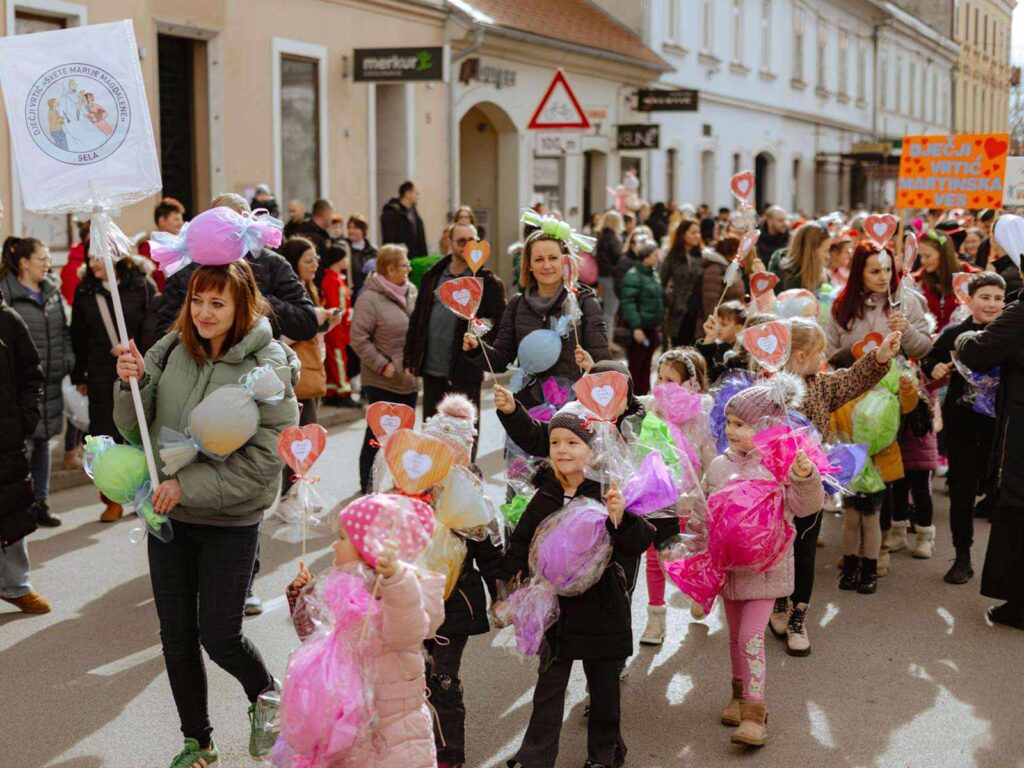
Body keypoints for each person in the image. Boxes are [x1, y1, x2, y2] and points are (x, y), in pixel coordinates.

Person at [114, 259, 300, 764]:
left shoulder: (270, 366)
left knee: (220, 636)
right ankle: (198, 742)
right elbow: (136, 429)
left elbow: (266, 460)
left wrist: (184, 486)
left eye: (217, 302)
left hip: (230, 523)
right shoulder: (170, 348)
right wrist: (130, 383)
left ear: (243, 306)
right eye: (197, 299)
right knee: (175, 637)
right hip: (168, 520)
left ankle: (267, 692)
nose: (203, 312)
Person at [498, 404, 655, 768]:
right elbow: (522, 543)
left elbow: (638, 542)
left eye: (573, 442)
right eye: (555, 442)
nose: (563, 449)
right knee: (548, 687)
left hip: (601, 606)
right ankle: (535, 756)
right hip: (556, 611)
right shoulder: (546, 494)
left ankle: (604, 753)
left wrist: (621, 518)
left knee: (603, 689)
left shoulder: (607, 491)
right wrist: (507, 587)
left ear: (592, 450)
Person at [683, 377, 823, 747]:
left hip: (767, 570)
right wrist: (696, 557)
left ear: (765, 428)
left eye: (741, 424)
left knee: (750, 637)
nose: (732, 430)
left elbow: (805, 508)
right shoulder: (717, 466)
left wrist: (805, 477)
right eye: (729, 422)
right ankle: (738, 695)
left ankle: (755, 714)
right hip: (729, 571)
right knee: (733, 638)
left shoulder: (782, 464)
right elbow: (703, 513)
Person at [286, 495, 444, 767]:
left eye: (343, 538)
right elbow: (324, 648)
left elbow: (408, 629)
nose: (334, 545)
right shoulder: (346, 589)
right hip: (350, 737)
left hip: (393, 743)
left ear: (369, 548)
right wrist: (303, 596)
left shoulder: (399, 600)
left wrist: (397, 580)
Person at [774, 318, 900, 654]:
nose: (824, 359)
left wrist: (880, 357)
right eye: (819, 353)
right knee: (776, 548)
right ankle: (778, 602)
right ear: (800, 355)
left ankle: (799, 615)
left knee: (804, 547)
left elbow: (851, 380)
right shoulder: (767, 387)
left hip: (809, 482)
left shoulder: (821, 385)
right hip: (771, 485)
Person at [922, 272, 1005, 585]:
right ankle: (962, 557)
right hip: (963, 426)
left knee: (1002, 495)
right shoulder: (957, 332)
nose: (992, 304)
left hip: (1001, 428)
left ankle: (1006, 567)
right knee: (962, 492)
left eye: (998, 297)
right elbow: (929, 360)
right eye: (985, 297)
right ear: (970, 300)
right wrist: (936, 367)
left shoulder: (1007, 331)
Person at [466, 230, 608, 410]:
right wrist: (477, 349)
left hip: (573, 411)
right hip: (528, 411)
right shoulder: (517, 304)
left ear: (565, 262)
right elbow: (502, 360)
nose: (546, 265)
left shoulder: (583, 302)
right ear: (529, 265)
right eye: (539, 259)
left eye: (553, 258)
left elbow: (602, 363)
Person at [156, 194, 318, 342]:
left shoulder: (272, 264)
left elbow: (307, 323)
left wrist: (258, 300)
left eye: (234, 226)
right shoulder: (187, 267)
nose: (227, 234)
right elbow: (165, 329)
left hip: (255, 366)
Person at [71, 249, 158, 522]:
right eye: (91, 258)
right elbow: (78, 335)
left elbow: (152, 327)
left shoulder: (142, 285)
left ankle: (144, 493)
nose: (94, 264)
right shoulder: (85, 291)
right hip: (100, 374)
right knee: (103, 436)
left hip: (137, 371)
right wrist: (80, 376)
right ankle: (110, 499)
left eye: (100, 257)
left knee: (140, 434)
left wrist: (143, 361)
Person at [955, 283, 1024, 630]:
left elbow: (978, 351)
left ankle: (1019, 602)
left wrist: (964, 338)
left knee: (1017, 505)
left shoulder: (1020, 313)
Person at [403, 222, 505, 445]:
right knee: (432, 433)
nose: (467, 246)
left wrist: (480, 341)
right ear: (449, 244)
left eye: (472, 241)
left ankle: (463, 479)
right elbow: (418, 318)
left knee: (464, 436)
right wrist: (410, 356)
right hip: (432, 369)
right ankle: (434, 479)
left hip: (465, 370)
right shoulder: (433, 276)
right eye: (461, 241)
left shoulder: (488, 283)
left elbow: (500, 324)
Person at [639, 347, 714, 645]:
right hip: (657, 501)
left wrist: (713, 493)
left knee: (692, 554)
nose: (663, 386)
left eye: (672, 380)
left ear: (691, 384)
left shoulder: (702, 412)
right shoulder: (650, 408)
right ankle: (655, 618)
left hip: (690, 502)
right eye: (660, 377)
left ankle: (701, 591)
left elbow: (710, 455)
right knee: (655, 559)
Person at [830, 349, 920, 593]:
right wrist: (838, 440)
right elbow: (833, 424)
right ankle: (850, 566)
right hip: (851, 466)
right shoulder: (844, 397)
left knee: (871, 520)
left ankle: (870, 568)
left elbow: (908, 406)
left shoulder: (886, 398)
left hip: (879, 468)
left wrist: (907, 387)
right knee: (850, 520)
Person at [0, 237, 72, 528]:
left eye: (48, 258)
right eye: (41, 258)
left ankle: (41, 502)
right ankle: (22, 505)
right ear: (24, 262)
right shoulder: (8, 294)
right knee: (23, 448)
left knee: (42, 444)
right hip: (17, 389)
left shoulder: (52, 292)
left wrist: (66, 361)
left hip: (47, 383)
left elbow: (64, 332)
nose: (47, 264)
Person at [351, 245, 419, 492]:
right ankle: (368, 486)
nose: (409, 268)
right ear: (389, 269)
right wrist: (382, 365)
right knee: (377, 435)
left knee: (404, 436)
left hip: (408, 378)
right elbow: (358, 338)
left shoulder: (411, 291)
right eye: (404, 264)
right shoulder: (370, 298)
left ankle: (400, 484)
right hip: (381, 379)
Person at [0, 286, 48, 615]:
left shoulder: (8, 320)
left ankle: (16, 585)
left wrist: (25, 418)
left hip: (5, 433)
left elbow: (32, 373)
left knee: (12, 505)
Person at [279, 239, 342, 488]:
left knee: (308, 436)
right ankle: (291, 493)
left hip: (314, 368)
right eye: (308, 260)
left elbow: (312, 332)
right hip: (296, 374)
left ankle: (298, 491)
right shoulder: (286, 294)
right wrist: (313, 323)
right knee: (298, 437)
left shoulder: (310, 288)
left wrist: (325, 324)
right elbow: (279, 336)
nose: (315, 264)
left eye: (316, 258)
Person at [826, 242, 933, 360]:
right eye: (875, 272)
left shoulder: (906, 301)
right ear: (859, 274)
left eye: (888, 269)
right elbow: (829, 353)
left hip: (896, 377)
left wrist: (906, 330)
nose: (883, 277)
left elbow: (924, 349)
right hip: (852, 377)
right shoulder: (842, 305)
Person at [619, 241, 663, 395]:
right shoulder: (633, 276)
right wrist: (636, 327)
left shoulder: (653, 274)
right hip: (639, 328)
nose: (658, 258)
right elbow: (629, 303)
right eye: (655, 255)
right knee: (636, 365)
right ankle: (632, 396)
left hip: (651, 327)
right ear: (646, 257)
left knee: (646, 365)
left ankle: (644, 395)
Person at [320, 245, 358, 408]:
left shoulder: (336, 278)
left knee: (335, 359)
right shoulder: (331, 280)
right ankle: (343, 392)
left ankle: (331, 391)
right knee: (338, 360)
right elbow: (335, 307)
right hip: (337, 329)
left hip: (341, 327)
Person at [915, 229, 977, 330]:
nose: (923, 261)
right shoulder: (917, 280)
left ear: (943, 254)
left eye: (927, 256)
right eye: (921, 256)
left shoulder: (971, 276)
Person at [661, 219, 706, 346]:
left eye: (698, 233)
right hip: (678, 310)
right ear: (683, 234)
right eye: (693, 233)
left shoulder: (702, 256)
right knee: (678, 346)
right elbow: (661, 281)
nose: (697, 236)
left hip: (697, 310)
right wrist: (670, 300)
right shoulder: (673, 256)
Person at [698, 235, 747, 332]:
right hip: (719, 326)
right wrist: (716, 326)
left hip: (728, 324)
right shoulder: (714, 270)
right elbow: (710, 302)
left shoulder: (730, 268)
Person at [137, 197, 186, 292]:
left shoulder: (182, 245)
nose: (181, 223)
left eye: (181, 219)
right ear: (162, 221)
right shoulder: (147, 247)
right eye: (176, 219)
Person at [767, 221, 831, 294]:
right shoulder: (785, 278)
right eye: (825, 251)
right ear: (811, 252)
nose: (828, 256)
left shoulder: (824, 276)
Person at [696, 300, 746, 383]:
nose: (718, 328)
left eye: (723, 325)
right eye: (717, 323)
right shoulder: (718, 347)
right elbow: (706, 373)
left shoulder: (740, 356)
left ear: (738, 328)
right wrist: (709, 338)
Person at [594, 211, 624, 340]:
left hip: (601, 276)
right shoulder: (614, 239)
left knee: (604, 309)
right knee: (610, 312)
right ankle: (606, 342)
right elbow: (619, 259)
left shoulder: (600, 237)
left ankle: (604, 340)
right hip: (611, 278)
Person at [381, 180, 428, 258]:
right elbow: (389, 239)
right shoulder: (391, 214)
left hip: (415, 260)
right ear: (407, 193)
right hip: (398, 259)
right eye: (416, 193)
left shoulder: (415, 215)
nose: (418, 197)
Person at [345, 213, 377, 294]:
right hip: (350, 295)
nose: (351, 231)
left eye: (355, 228)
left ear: (363, 230)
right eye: (349, 228)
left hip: (369, 295)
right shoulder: (343, 250)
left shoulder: (373, 252)